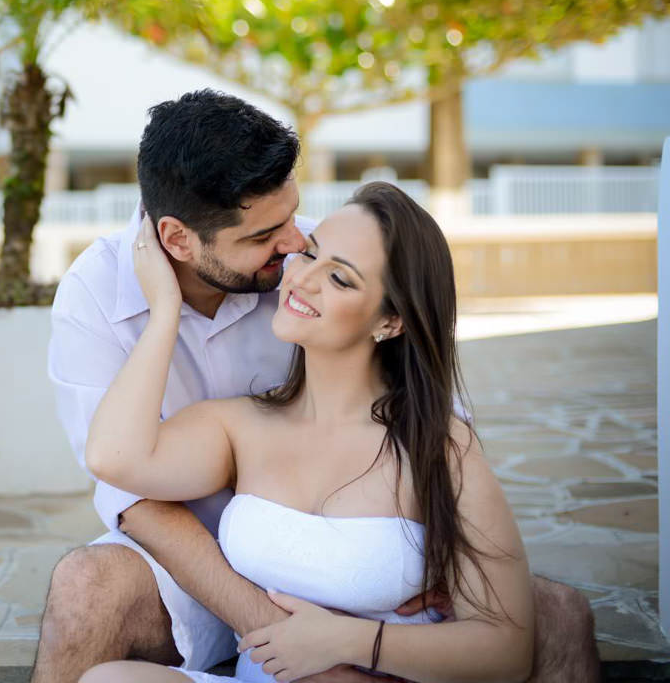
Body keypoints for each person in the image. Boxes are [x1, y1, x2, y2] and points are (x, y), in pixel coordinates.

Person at [33, 89, 600, 683]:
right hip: (195, 559)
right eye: (266, 239)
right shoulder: (112, 307)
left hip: (364, 580)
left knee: (558, 615)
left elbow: (432, 426)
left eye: (299, 227)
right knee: (87, 594)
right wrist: (164, 311)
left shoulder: (305, 255)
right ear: (176, 241)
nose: (295, 254)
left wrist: (376, 617)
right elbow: (122, 478)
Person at [82, 181, 533, 682]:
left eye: (340, 278)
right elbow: (113, 459)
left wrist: (347, 641)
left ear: (390, 321)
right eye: (310, 255)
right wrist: (164, 310)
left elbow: (506, 650)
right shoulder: (237, 426)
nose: (302, 280)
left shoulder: (438, 445)